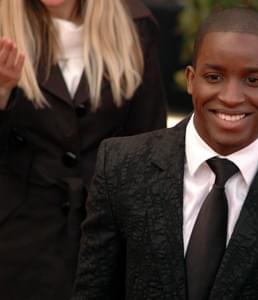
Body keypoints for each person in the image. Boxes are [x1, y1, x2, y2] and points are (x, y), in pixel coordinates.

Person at [72, 7, 258, 300]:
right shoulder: (121, 166)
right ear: (191, 79)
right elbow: (93, 289)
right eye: (214, 76)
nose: (231, 98)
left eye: (253, 81)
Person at [0, 0, 167, 299]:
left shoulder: (135, 25)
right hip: (18, 239)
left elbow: (150, 142)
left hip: (107, 234)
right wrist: (1, 94)